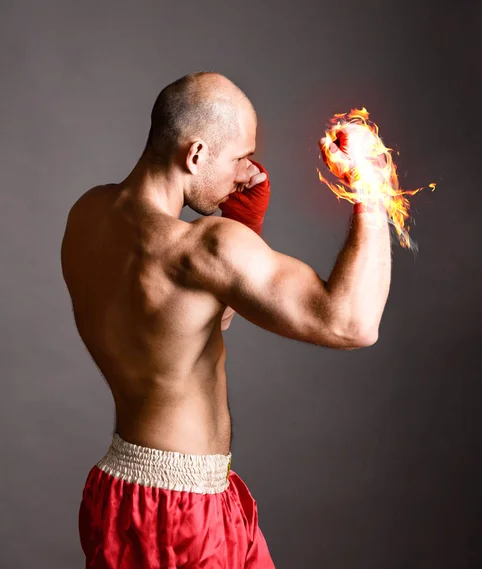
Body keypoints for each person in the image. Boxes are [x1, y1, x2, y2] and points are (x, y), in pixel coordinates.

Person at [60, 71, 391, 569]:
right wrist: (371, 190)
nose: (246, 172)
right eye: (239, 157)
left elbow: (184, 321)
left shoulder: (86, 213)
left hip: (124, 488)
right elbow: (352, 323)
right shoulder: (204, 248)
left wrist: (242, 224)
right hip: (181, 515)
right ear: (194, 155)